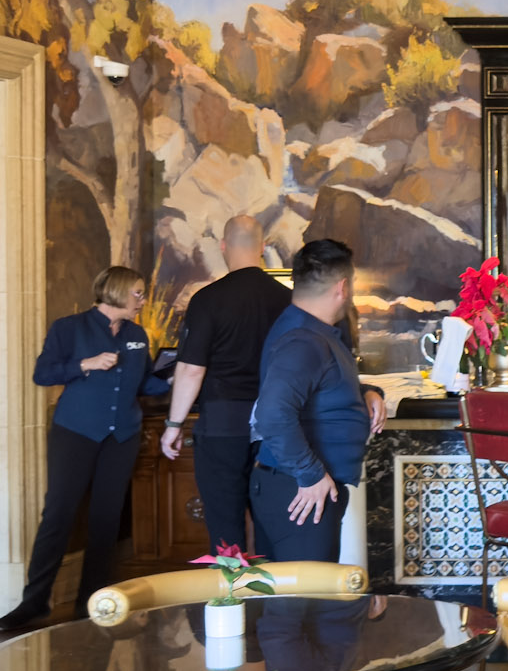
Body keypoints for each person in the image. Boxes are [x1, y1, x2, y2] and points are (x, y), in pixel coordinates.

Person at [0, 266, 168, 631]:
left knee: (106, 519)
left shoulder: (137, 335)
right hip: (75, 432)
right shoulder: (69, 328)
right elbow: (43, 374)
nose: (142, 300)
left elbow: (144, 384)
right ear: (117, 292)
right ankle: (33, 603)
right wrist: (85, 364)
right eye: (138, 293)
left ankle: (89, 603)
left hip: (121, 437)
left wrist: (179, 374)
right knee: (58, 515)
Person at [159, 217, 292, 553]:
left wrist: (174, 425)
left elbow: (191, 370)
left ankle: (233, 587)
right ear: (263, 247)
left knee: (225, 524)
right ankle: (272, 588)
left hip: (222, 425)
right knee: (272, 521)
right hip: (276, 425)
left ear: (222, 246)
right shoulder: (288, 301)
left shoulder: (208, 299)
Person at [248, 239, 386, 561]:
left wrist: (367, 392)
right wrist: (310, 474)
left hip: (298, 487)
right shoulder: (304, 340)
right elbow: (272, 413)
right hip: (298, 490)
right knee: (305, 591)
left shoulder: (311, 331)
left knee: (303, 590)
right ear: (343, 287)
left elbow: (322, 385)